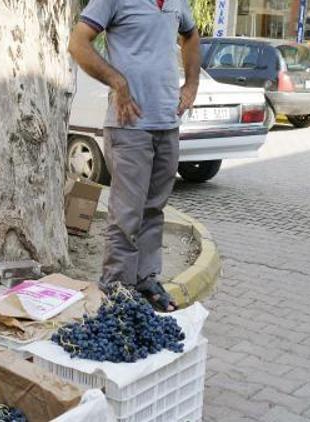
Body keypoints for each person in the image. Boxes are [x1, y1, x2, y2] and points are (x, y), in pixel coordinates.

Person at [68, 0, 200, 311]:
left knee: (154, 209)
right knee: (127, 215)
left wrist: (191, 84)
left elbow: (191, 36)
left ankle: (146, 281)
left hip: (167, 122)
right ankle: (117, 290)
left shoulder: (177, 3)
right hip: (129, 125)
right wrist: (118, 81)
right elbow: (78, 43)